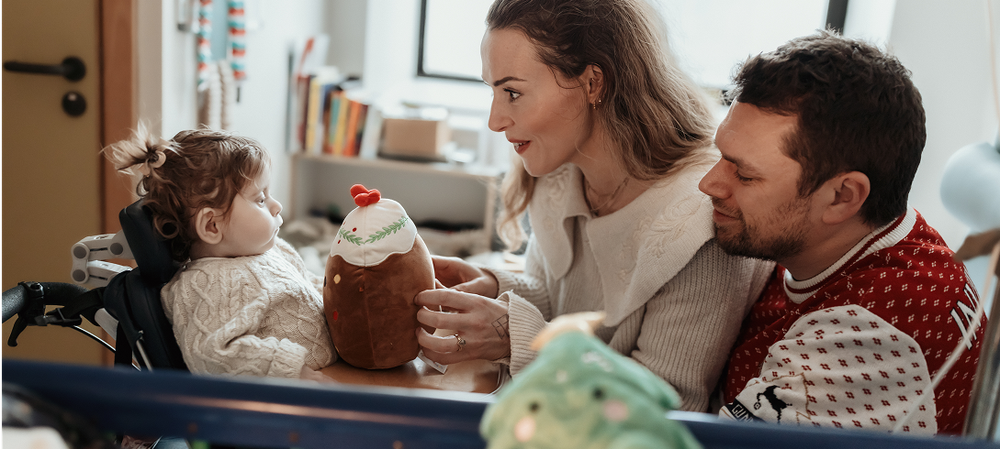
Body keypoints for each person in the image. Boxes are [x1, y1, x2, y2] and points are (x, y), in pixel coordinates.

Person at [414, 0, 773, 412]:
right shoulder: (562, 167)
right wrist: (496, 288)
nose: (495, 120)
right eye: (493, 91)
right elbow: (564, 302)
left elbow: (665, 408)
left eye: (512, 92)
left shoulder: (699, 220)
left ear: (592, 83)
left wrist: (515, 336)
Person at [700, 30, 986, 435]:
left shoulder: (866, 338)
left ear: (842, 196)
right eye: (722, 157)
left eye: (744, 174)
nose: (709, 184)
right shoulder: (880, 231)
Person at [104, 126, 335, 381]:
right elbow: (213, 354)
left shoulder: (272, 248)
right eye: (260, 199)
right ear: (212, 225)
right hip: (292, 396)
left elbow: (306, 285)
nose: (276, 205)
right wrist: (295, 371)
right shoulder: (207, 284)